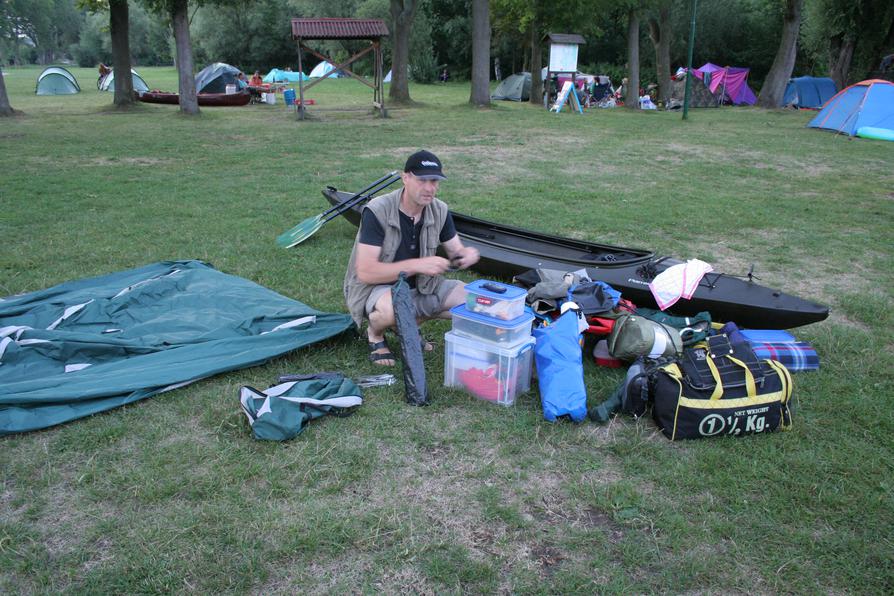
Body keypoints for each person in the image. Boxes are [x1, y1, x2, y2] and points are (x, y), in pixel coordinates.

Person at [344, 150, 480, 366]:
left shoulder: (439, 209)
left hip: (423, 286)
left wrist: (465, 255)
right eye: (422, 180)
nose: (429, 188)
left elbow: (455, 250)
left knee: (474, 301)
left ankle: (405, 327)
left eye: (434, 181)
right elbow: (366, 272)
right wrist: (417, 265)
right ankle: (375, 333)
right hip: (378, 288)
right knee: (391, 309)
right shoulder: (378, 210)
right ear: (405, 178)